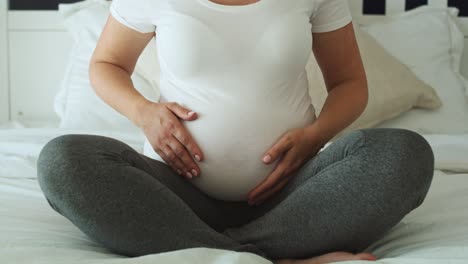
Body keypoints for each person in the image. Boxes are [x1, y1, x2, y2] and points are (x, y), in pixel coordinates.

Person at [36, 0, 435, 263]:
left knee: (405, 152)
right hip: (176, 195)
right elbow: (106, 64)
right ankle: (282, 258)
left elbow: (350, 83)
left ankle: (219, 251)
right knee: (64, 160)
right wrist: (143, 112)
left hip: (297, 196)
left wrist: (314, 136)